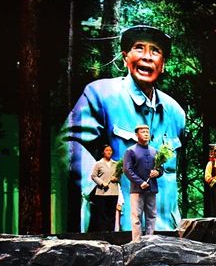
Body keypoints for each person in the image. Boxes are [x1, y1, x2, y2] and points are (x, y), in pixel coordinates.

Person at [63, 25, 185, 233]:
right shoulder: (101, 94)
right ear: (124, 57)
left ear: (163, 64)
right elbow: (68, 143)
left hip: (166, 233)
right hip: (118, 231)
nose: (147, 57)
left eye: (155, 51)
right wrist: (100, 187)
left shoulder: (176, 113)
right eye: (139, 48)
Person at [123, 124, 163, 242]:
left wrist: (158, 172)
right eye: (143, 132)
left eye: (147, 132)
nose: (146, 134)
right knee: (136, 217)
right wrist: (140, 182)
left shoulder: (154, 151)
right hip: (137, 189)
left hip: (152, 188)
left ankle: (149, 241)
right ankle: (136, 243)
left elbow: (161, 168)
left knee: (152, 216)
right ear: (137, 135)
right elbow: (127, 170)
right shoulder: (130, 151)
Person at [89, 145, 120, 232]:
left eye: (110, 150)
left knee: (111, 214)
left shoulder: (115, 164)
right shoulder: (98, 164)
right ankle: (103, 233)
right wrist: (102, 183)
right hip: (102, 193)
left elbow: (119, 176)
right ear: (103, 152)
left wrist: (116, 178)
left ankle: (111, 233)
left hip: (113, 192)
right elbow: (93, 176)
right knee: (102, 214)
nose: (109, 152)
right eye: (107, 150)